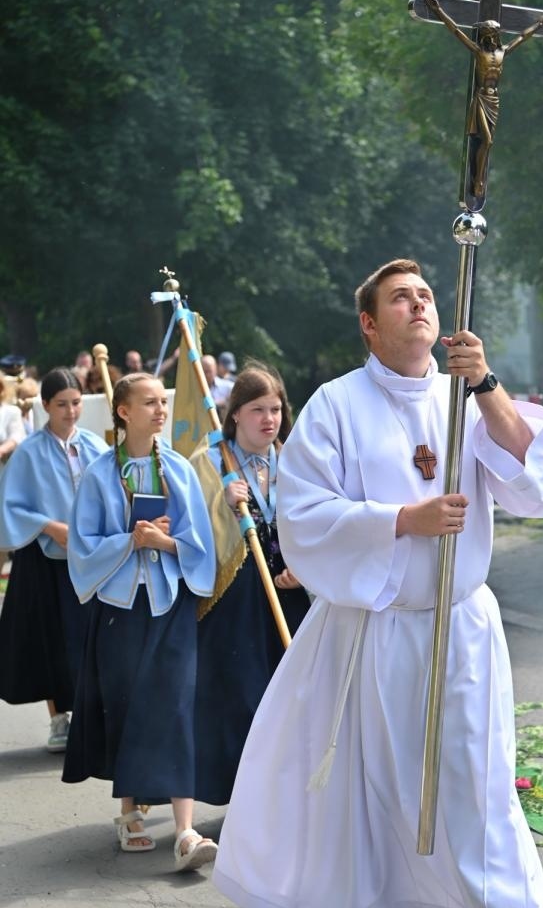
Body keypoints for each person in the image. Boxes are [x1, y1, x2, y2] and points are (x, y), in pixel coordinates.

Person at [214, 258, 543, 908]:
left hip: (459, 632)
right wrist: (402, 520)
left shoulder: (468, 399)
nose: (419, 305)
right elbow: (302, 518)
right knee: (376, 793)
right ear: (369, 323)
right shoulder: (334, 407)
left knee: (479, 787)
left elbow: (536, 484)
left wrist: (486, 385)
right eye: (400, 298)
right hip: (374, 631)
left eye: (426, 294)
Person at [63, 372, 218, 870]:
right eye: (149, 402)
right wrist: (130, 540)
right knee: (126, 705)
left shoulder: (178, 469)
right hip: (119, 609)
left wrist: (164, 543)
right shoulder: (99, 474)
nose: (160, 410)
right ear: (123, 411)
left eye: (162, 401)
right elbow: (82, 546)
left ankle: (186, 831)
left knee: (176, 705)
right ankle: (129, 813)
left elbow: (201, 548)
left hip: (169, 605)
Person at [193, 362, 310, 806]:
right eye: (258, 409)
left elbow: (316, 521)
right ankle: (245, 801)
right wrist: (222, 504)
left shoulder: (294, 459)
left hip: (289, 594)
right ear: (235, 413)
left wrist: (305, 566)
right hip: (234, 599)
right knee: (242, 699)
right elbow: (190, 534)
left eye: (276, 409)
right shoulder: (208, 462)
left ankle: (286, 801)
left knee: (291, 699)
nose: (269, 419)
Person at [0, 368, 108, 751]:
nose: (71, 411)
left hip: (91, 558)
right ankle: (59, 719)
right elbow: (9, 505)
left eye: (76, 402)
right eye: (61, 404)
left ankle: (97, 714)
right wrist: (48, 526)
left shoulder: (96, 447)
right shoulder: (28, 452)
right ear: (45, 406)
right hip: (47, 561)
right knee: (54, 640)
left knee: (92, 637)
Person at [423, 0, 543, 201]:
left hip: (493, 100)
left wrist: (539, 24)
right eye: (486, 32)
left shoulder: (503, 52)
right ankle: (478, 180)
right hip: (480, 98)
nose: (488, 35)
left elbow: (523, 37)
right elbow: (456, 31)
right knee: (487, 141)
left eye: (491, 32)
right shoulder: (478, 51)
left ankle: (479, 178)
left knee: (488, 141)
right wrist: (438, 11)